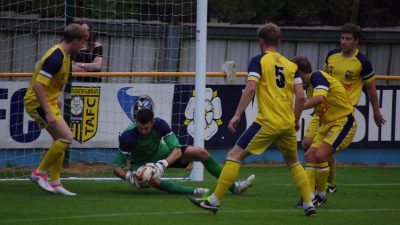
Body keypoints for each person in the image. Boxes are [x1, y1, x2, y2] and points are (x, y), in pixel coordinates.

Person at [188, 23, 316, 216]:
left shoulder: (259, 61)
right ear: (279, 42)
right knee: (294, 163)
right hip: (286, 124)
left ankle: (213, 201)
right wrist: (295, 120)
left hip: (267, 122)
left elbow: (250, 88)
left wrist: (238, 114)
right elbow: (301, 96)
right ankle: (309, 204)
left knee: (234, 156)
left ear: (260, 42)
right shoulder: (292, 66)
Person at [302, 23, 386, 193]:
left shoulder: (362, 62)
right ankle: (321, 181)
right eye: (342, 38)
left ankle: (327, 185)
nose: (344, 42)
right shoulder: (332, 56)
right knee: (307, 144)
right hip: (323, 108)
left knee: (320, 153)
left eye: (348, 39)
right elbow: (323, 79)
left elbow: (371, 88)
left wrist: (376, 111)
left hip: (341, 111)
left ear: (356, 41)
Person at [114, 95, 255, 196]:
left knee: (201, 153)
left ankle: (234, 187)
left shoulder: (160, 124)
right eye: (140, 128)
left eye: (147, 128)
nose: (144, 131)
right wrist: (128, 176)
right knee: (152, 179)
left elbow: (176, 150)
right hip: (140, 163)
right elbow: (117, 168)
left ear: (152, 123)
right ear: (136, 122)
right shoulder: (127, 137)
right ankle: (193, 191)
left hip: (161, 154)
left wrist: (161, 164)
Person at [24, 23, 89, 195]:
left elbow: (52, 84)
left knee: (59, 140)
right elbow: (38, 86)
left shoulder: (67, 56)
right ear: (75, 41)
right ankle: (39, 173)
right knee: (67, 137)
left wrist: (55, 100)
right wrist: (47, 111)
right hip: (36, 102)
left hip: (48, 102)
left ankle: (55, 182)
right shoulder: (56, 57)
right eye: (83, 42)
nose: (84, 46)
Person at [293, 56, 358, 207]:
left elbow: (319, 99)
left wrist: (297, 109)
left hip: (343, 121)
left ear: (300, 71)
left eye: (293, 73)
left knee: (320, 155)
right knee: (309, 154)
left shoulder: (316, 75)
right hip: (326, 124)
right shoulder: (308, 85)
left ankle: (321, 196)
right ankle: (308, 197)